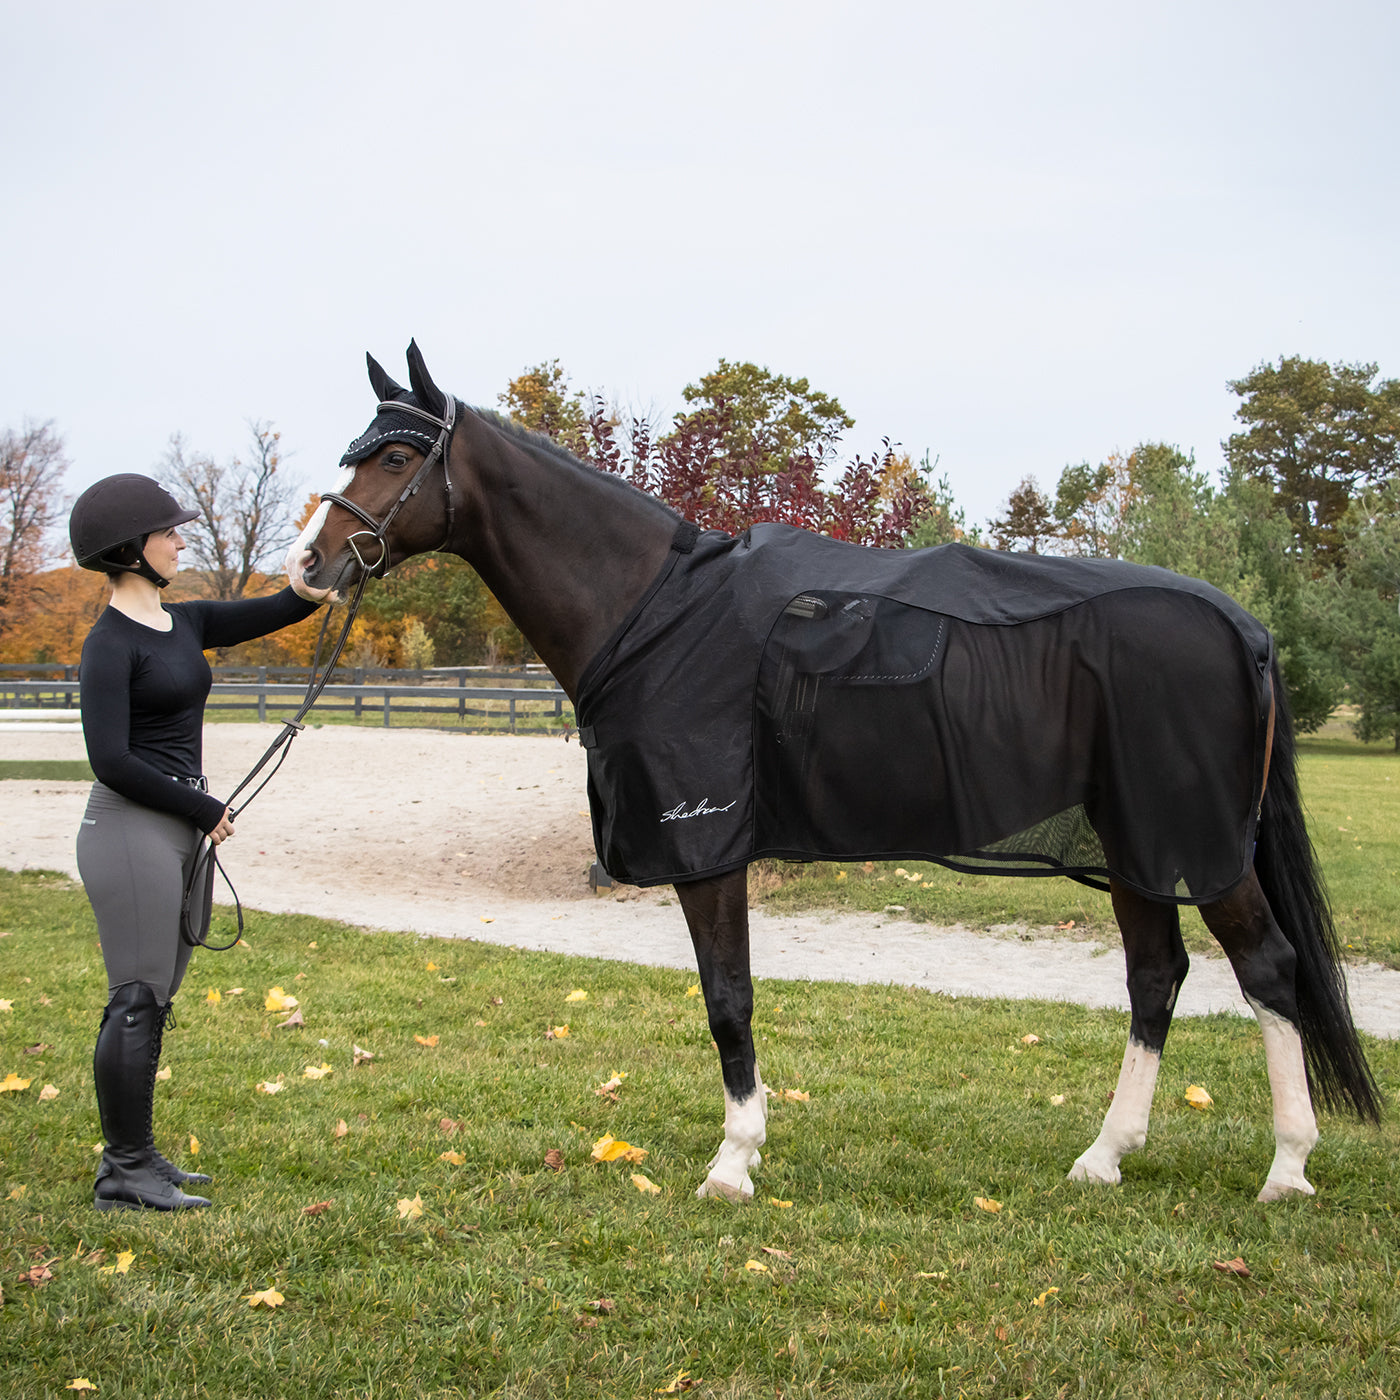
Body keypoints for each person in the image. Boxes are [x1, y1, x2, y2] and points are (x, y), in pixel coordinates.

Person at [69, 473, 326, 1211]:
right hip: (129, 827)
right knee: (136, 998)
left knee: (157, 995)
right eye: (169, 530)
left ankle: (141, 1156)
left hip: (179, 830)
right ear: (130, 548)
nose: (182, 538)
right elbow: (110, 760)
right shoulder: (108, 645)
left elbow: (275, 611)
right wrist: (202, 804)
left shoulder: (182, 624)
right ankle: (122, 1171)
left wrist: (309, 582)